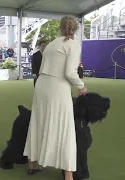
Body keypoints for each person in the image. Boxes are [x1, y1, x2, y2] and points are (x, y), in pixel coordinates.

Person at [23, 15, 87, 180]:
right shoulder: (73, 45)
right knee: (64, 127)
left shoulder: (51, 44)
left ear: (60, 27)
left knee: (39, 122)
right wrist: (81, 87)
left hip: (41, 85)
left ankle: (33, 164)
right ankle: (68, 175)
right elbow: (70, 73)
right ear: (76, 28)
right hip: (58, 87)